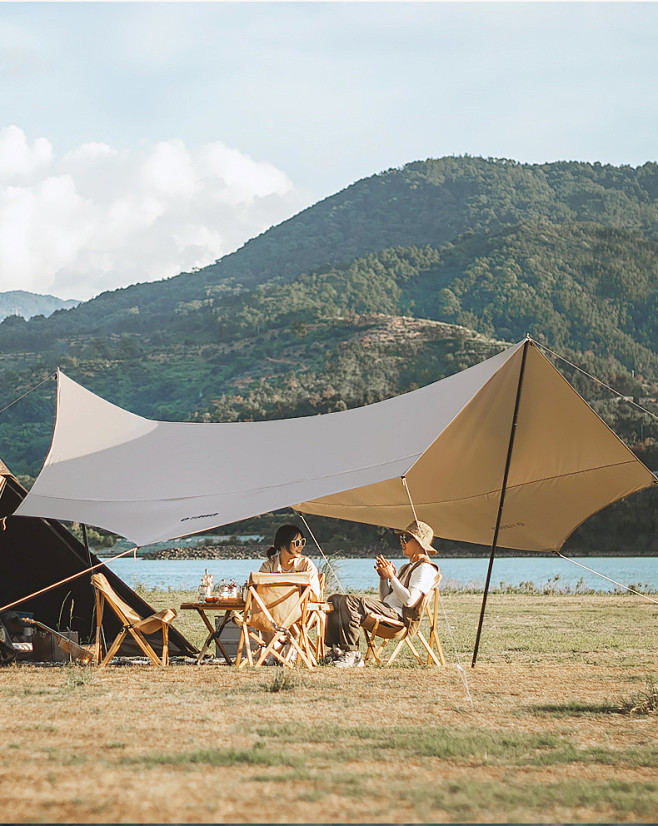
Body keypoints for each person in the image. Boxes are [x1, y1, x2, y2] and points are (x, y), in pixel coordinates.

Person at [325, 520, 441, 668]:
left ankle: (353, 654)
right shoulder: (408, 567)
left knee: (349, 601)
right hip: (387, 609)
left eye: (406, 538)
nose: (402, 542)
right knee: (334, 599)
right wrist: (383, 578)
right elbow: (385, 598)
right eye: (401, 538)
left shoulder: (425, 568)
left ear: (419, 543)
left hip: (398, 617)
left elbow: (410, 601)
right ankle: (337, 650)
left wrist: (392, 577)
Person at [259, 523, 321, 600]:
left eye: (302, 542)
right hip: (273, 611)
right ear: (283, 545)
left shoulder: (306, 565)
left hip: (300, 611)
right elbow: (259, 593)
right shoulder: (268, 566)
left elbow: (315, 596)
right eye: (297, 543)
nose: (301, 546)